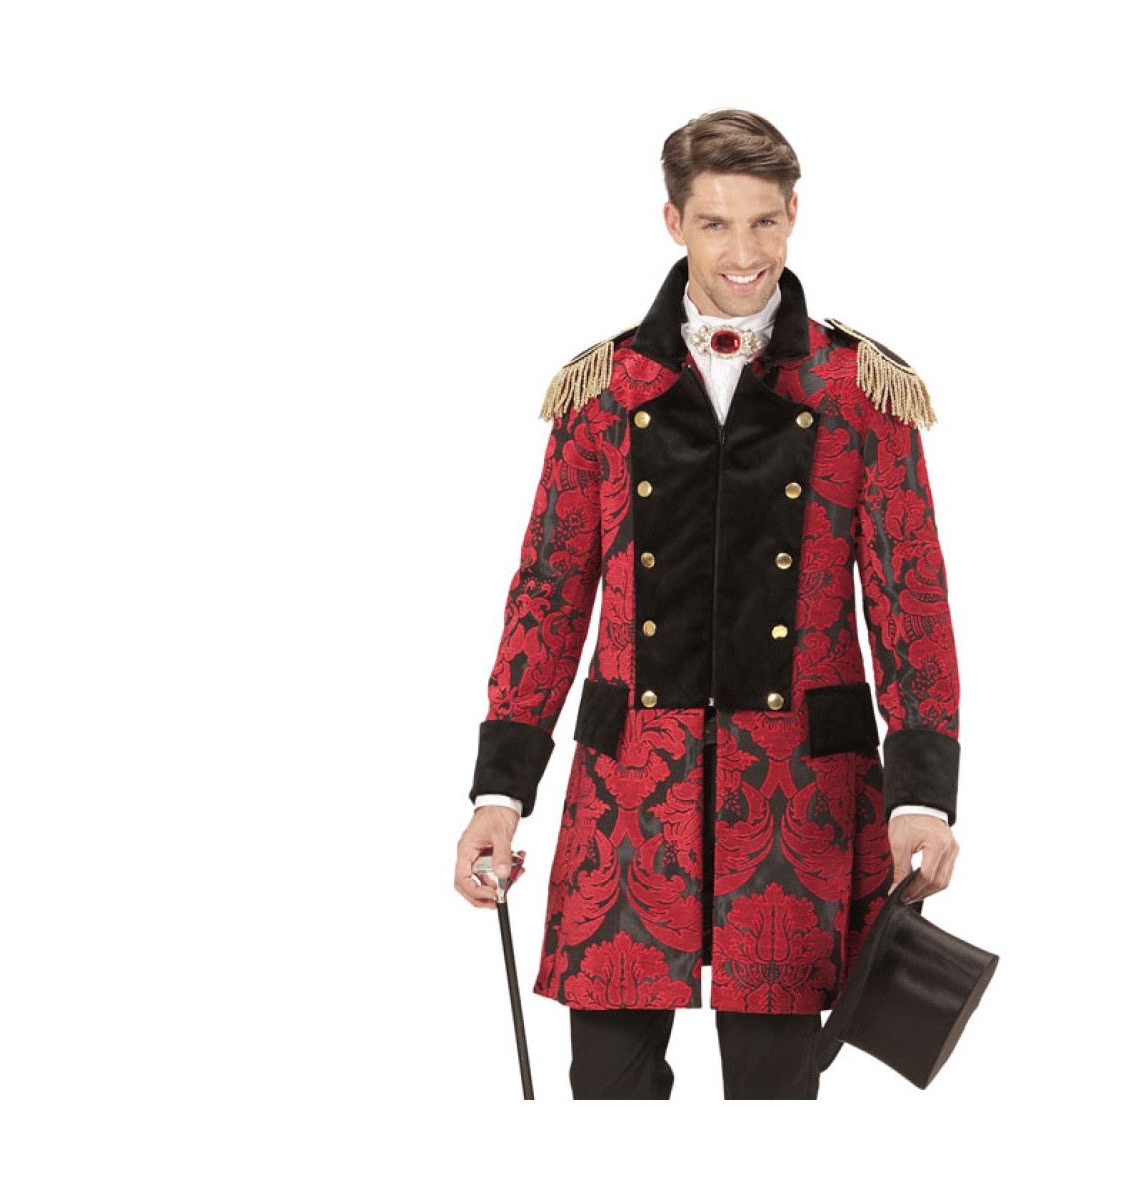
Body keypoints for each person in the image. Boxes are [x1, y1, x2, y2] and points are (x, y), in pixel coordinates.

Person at [454, 109, 963, 1099]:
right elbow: (547, 596)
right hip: (629, 796)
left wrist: (922, 797)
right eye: (716, 224)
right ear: (673, 221)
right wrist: (498, 794)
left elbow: (911, 601)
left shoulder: (861, 390)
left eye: (764, 222)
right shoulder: (604, 392)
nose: (743, 253)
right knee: (608, 1089)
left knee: (773, 1097)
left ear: (794, 216)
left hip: (800, 800)